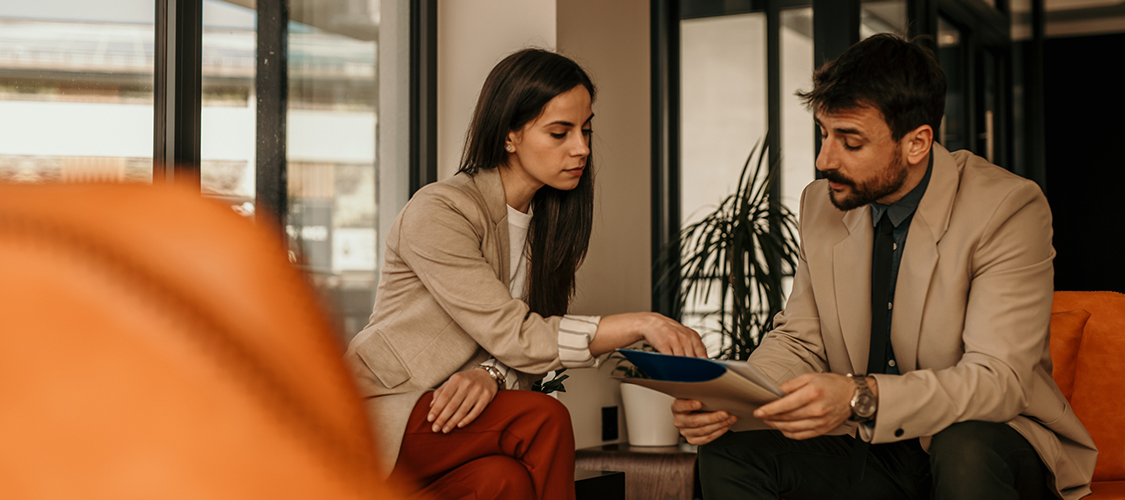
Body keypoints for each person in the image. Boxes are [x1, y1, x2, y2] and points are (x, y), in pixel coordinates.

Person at [672, 34, 1097, 500]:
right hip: (874, 446)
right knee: (730, 448)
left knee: (964, 447)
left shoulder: (1007, 207)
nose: (824, 160)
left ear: (917, 143)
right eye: (824, 134)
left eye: (850, 142)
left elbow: (999, 381)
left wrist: (861, 396)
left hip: (991, 441)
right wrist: (733, 401)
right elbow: (801, 340)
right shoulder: (822, 204)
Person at [345, 48, 706, 500]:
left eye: (586, 130)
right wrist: (642, 323)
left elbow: (522, 353)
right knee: (542, 418)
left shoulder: (544, 229)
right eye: (560, 132)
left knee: (504, 480)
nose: (582, 148)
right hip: (381, 414)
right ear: (509, 136)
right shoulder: (440, 210)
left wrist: (493, 374)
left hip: (456, 424)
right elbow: (516, 335)